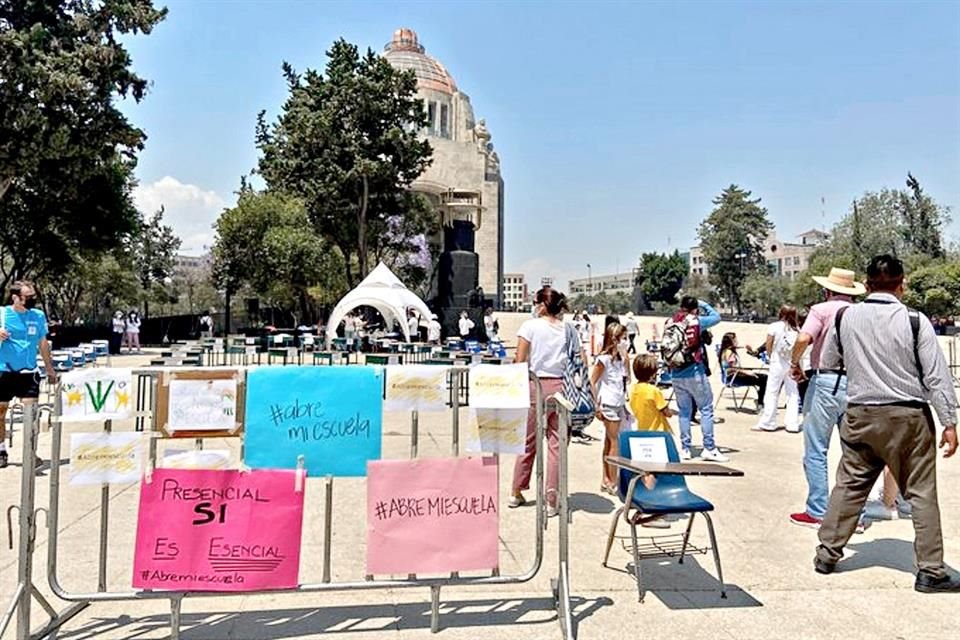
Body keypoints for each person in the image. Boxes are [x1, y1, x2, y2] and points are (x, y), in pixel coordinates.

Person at [813, 255, 960, 592]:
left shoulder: (844, 318)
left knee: (850, 486)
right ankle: (931, 570)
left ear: (866, 285)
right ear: (901, 283)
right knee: (921, 492)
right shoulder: (915, 320)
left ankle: (827, 553)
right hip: (908, 418)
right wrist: (949, 422)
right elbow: (936, 376)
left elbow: (829, 361)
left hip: (861, 414)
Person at [788, 268, 866, 529]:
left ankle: (818, 510)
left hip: (826, 380)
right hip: (857, 384)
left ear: (827, 290)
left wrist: (794, 361)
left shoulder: (821, 310)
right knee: (854, 453)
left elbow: (803, 337)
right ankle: (856, 514)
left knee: (816, 449)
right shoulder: (862, 313)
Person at [510, 288, 583, 517]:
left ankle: (517, 490)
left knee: (528, 439)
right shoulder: (569, 330)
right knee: (556, 443)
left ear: (541, 304)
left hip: (534, 385)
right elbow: (580, 360)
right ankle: (552, 498)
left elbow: (520, 359)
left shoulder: (530, 326)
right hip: (562, 387)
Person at [0, 281, 58, 469]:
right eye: (28, 296)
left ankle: (30, 452)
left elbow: (43, 344)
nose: (32, 299)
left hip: (29, 372)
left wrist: (50, 370)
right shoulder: (2, 314)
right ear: (15, 297)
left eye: (33, 296)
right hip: (4, 371)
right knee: (0, 412)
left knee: (31, 414)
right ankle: (1, 450)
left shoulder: (38, 316)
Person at [666, 296, 726, 461]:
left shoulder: (670, 321)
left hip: (676, 372)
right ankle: (709, 448)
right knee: (705, 409)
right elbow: (716, 317)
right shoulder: (697, 321)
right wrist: (702, 303)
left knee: (684, 412)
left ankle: (685, 448)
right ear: (694, 308)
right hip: (694, 371)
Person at [591, 322, 629, 494]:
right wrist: (595, 404)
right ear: (614, 339)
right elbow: (592, 381)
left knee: (609, 442)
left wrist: (626, 358)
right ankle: (612, 480)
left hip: (619, 402)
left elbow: (627, 380)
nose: (626, 342)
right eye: (623, 338)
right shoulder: (603, 359)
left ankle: (606, 479)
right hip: (608, 403)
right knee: (614, 443)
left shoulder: (621, 360)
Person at [754, 305, 800, 432]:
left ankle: (768, 422)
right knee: (792, 393)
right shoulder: (796, 330)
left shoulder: (774, 326)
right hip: (791, 362)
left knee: (772, 392)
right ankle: (792, 423)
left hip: (777, 362)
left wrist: (770, 356)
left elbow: (769, 343)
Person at [629, 354, 674, 433]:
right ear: (653, 373)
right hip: (657, 431)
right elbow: (667, 413)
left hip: (641, 430)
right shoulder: (654, 391)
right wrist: (671, 411)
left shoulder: (633, 389)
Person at [719, 333, 768, 403]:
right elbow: (732, 369)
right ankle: (760, 403)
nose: (737, 341)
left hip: (734, 376)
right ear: (731, 342)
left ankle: (760, 400)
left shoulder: (725, 350)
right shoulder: (729, 353)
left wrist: (745, 347)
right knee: (764, 379)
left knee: (763, 378)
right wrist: (747, 372)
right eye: (735, 340)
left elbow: (738, 347)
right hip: (734, 378)